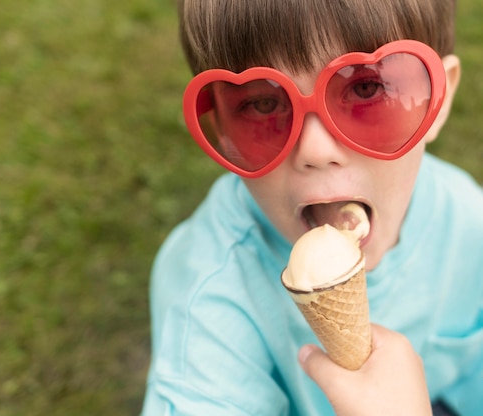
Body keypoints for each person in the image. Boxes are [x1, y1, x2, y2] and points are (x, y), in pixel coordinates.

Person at [142, 0, 483, 415]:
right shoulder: (207, 295)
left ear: (438, 100)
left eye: (365, 88)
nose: (316, 150)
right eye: (263, 103)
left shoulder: (467, 221)